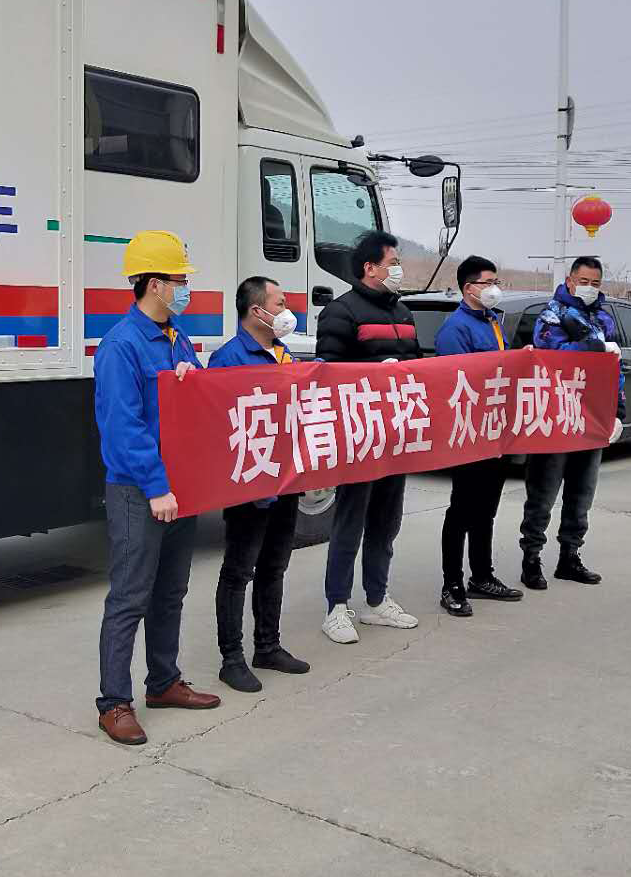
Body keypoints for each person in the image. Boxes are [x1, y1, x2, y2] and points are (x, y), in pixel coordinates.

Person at [93, 230, 221, 746]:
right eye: (179, 279)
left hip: (179, 486)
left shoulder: (177, 337)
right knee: (130, 597)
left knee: (170, 592)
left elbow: (191, 406)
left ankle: (164, 682)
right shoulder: (121, 345)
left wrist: (195, 378)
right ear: (154, 284)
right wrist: (155, 486)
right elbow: (123, 428)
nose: (185, 288)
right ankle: (113, 703)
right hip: (139, 492)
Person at [314, 230, 423, 643]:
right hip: (360, 434)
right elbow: (327, 373)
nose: (398, 270)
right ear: (369, 268)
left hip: (397, 434)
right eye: (392, 263)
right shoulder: (341, 312)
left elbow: (418, 366)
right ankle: (336, 607)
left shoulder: (404, 313)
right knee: (350, 522)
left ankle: (376, 600)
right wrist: (374, 375)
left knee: (386, 522)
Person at [206, 277, 311, 692]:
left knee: (274, 565)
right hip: (249, 486)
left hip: (286, 480)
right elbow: (216, 423)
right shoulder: (228, 359)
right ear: (257, 311)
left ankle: (268, 646)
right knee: (238, 570)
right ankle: (231, 658)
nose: (287, 311)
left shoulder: (284, 354)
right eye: (280, 304)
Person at [519, 256, 626, 590]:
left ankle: (570, 556)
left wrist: (618, 412)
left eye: (595, 283)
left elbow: (615, 370)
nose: (589, 288)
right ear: (569, 281)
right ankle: (531, 558)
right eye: (584, 282)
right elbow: (556, 354)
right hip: (556, 417)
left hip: (592, 417)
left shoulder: (603, 318)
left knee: (581, 494)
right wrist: (595, 346)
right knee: (543, 492)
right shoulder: (552, 315)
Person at [432, 255, 523, 617]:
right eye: (488, 282)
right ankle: (451, 583)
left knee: (486, 508)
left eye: (496, 282)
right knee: (462, 509)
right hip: (469, 432)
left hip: (496, 430)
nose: (494, 288)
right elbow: (458, 381)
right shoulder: (455, 329)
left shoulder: (493, 321)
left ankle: (482, 575)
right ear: (469, 288)